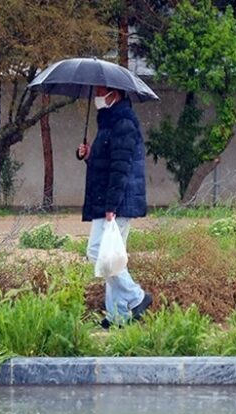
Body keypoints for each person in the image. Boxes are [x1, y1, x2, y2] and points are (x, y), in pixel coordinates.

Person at [78, 86, 152, 328]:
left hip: (116, 202)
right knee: (110, 258)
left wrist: (112, 206)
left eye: (101, 91)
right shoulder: (110, 121)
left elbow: (121, 168)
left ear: (115, 94)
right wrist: (88, 154)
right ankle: (117, 316)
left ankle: (136, 297)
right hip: (108, 200)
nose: (98, 96)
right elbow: (106, 159)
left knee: (98, 252)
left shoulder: (124, 123)